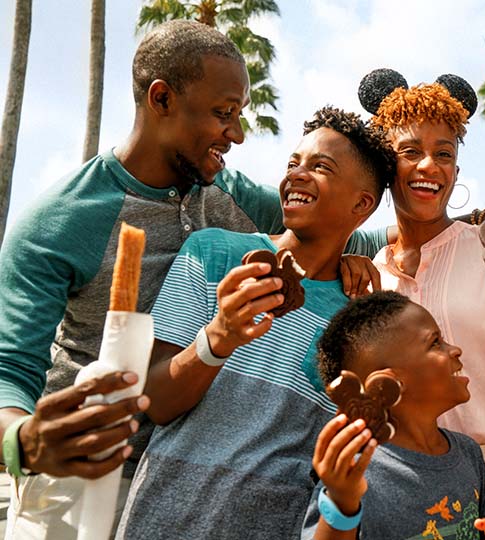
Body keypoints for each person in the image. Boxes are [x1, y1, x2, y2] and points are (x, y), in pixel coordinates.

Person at [0, 20, 384, 539]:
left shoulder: (226, 193)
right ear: (161, 99)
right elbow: (9, 369)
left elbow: (337, 225)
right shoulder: (63, 219)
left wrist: (369, 257)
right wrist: (22, 442)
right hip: (78, 470)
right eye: (224, 114)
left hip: (175, 476)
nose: (237, 134)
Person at [116, 106, 396, 539]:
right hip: (163, 520)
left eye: (321, 167)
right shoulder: (212, 254)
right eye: (293, 163)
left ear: (362, 204)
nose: (297, 175)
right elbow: (155, 400)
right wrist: (218, 338)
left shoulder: (361, 317)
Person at [359, 70, 485, 540]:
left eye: (443, 154)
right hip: (399, 482)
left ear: (457, 171)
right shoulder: (369, 277)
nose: (429, 166)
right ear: (386, 164)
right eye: (410, 152)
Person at [302, 291, 485, 540]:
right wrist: (341, 502)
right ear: (388, 384)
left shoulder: (468, 452)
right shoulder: (355, 473)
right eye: (435, 342)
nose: (455, 350)